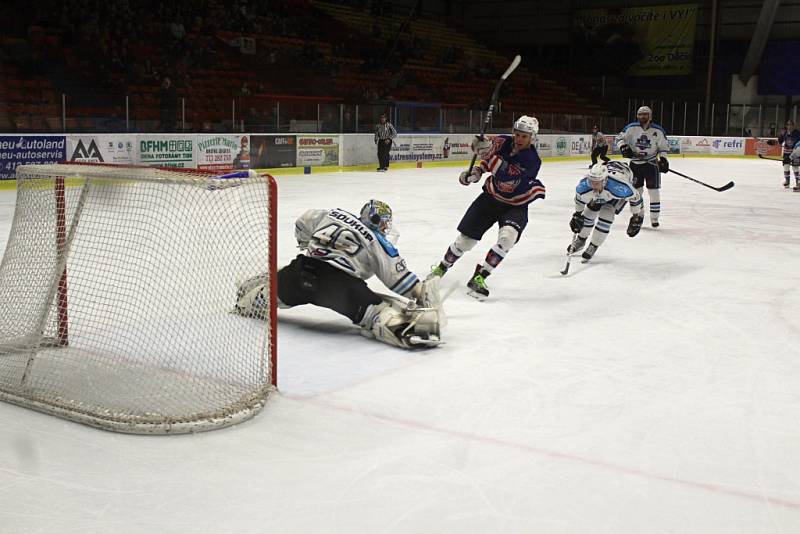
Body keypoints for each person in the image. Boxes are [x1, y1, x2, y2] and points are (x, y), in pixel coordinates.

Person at [234, 200, 445, 349]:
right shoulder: (377, 240)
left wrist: (308, 244)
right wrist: (421, 294)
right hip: (338, 287)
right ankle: (410, 331)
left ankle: (248, 298)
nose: (384, 228)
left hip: (301, 271)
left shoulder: (333, 214)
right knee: (376, 313)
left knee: (273, 294)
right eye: (383, 223)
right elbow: (398, 279)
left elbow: (303, 221)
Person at [427, 115, 545, 300]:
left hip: (516, 204)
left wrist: (488, 153)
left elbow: (506, 173)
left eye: (524, 136)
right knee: (465, 241)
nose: (519, 139)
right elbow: (485, 158)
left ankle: (480, 276)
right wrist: (475, 173)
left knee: (507, 238)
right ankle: (441, 268)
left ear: (533, 138)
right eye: (517, 134)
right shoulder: (502, 141)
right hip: (490, 198)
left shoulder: (532, 160)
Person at [567, 161, 644, 261]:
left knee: (606, 215)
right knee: (588, 213)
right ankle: (581, 241)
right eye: (591, 181)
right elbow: (579, 200)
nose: (593, 185)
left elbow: (636, 197)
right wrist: (577, 214)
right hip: (610, 172)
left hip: (621, 179)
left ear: (604, 181)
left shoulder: (620, 187)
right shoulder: (584, 186)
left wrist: (636, 217)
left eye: (597, 182)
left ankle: (594, 245)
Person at [616, 106, 669, 228]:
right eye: (640, 114)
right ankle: (639, 216)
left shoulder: (658, 130)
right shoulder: (631, 128)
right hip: (635, 165)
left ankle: (654, 218)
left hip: (651, 165)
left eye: (645, 114)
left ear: (650, 116)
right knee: (636, 192)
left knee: (653, 192)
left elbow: (663, 147)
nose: (642, 117)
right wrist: (623, 147)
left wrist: (663, 159)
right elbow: (619, 138)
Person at [769, 120, 800, 189]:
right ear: (787, 126)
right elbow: (779, 141)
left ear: (794, 126)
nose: (789, 126)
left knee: (795, 167)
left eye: (791, 125)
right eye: (788, 125)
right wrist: (772, 142)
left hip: (795, 153)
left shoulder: (798, 133)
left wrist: (796, 150)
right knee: (786, 166)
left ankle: (798, 182)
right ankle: (787, 181)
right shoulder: (784, 133)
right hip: (786, 153)